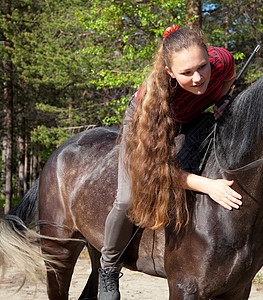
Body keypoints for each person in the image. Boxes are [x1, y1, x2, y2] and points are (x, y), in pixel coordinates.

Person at [98, 26, 243, 300]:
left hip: (190, 117)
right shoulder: (153, 102)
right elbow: (157, 170)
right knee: (127, 198)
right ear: (169, 72)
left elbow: (229, 77)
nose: (198, 78)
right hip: (147, 125)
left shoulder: (222, 60)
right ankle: (107, 268)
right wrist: (209, 186)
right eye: (186, 73)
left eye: (202, 67)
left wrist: (223, 99)